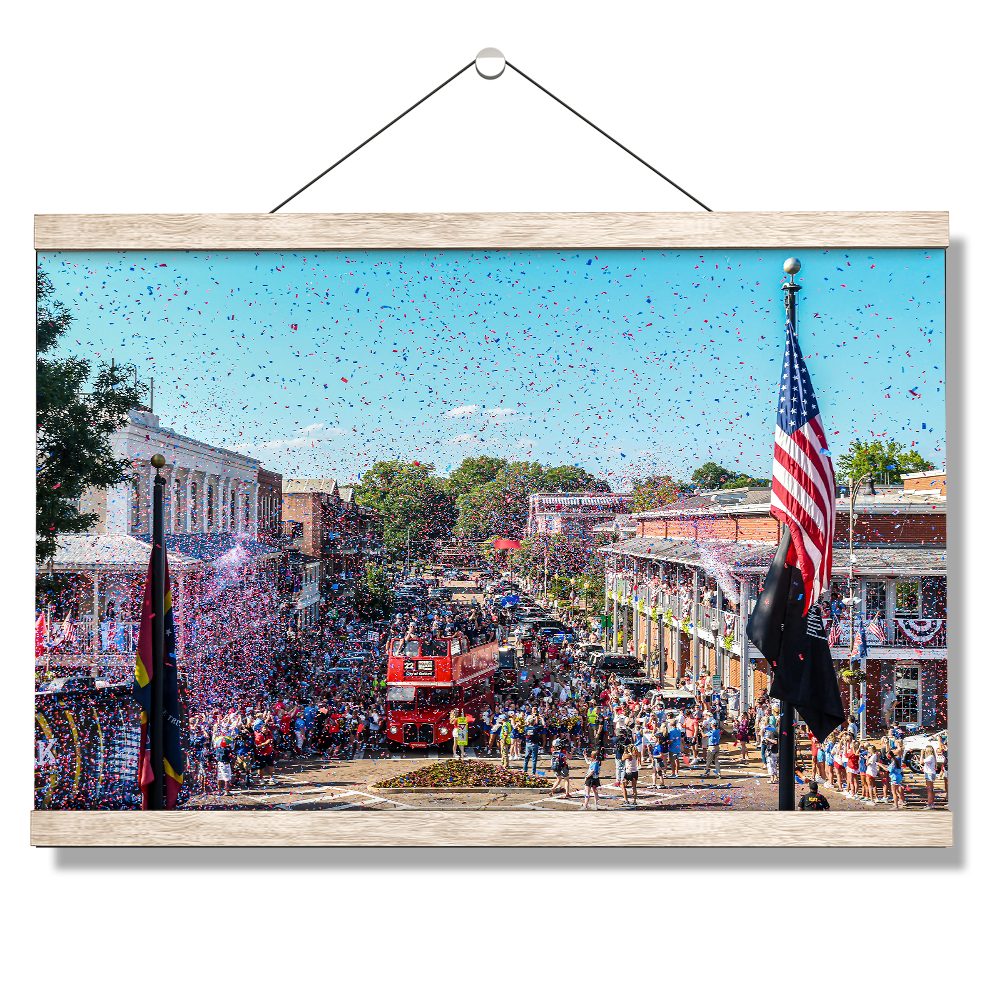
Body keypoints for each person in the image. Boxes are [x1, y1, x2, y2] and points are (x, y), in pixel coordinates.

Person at [921, 744, 938, 809]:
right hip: (929, 773)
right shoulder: (930, 757)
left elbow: (921, 762)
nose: (925, 751)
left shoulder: (930, 757)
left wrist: (922, 754)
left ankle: (930, 804)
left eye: (925, 750)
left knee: (929, 790)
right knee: (930, 790)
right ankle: (931, 803)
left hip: (930, 774)